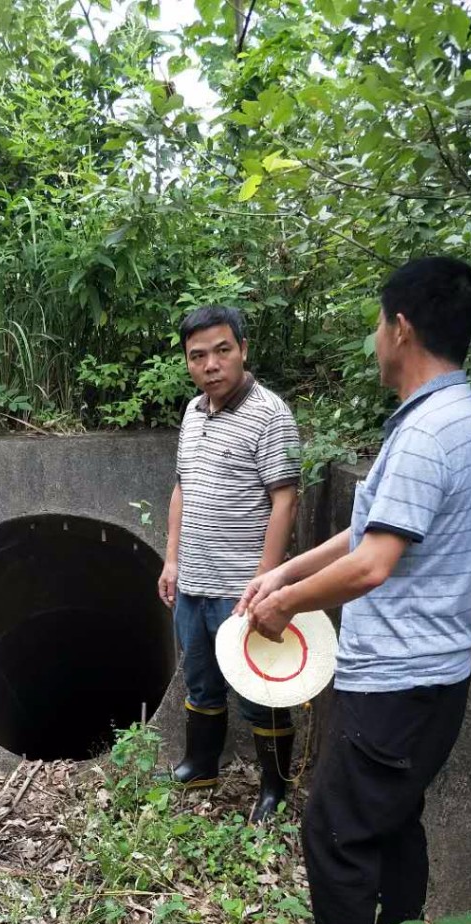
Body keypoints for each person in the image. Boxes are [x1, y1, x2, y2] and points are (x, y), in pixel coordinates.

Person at [236, 256, 471, 924]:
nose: (376, 338)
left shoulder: (426, 434)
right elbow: (368, 531)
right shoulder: (452, 416)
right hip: (433, 677)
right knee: (393, 820)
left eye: (379, 323)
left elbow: (374, 563)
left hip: (397, 682)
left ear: (402, 328)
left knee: (336, 831)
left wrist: (287, 605)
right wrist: (285, 573)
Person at [158, 304, 301, 821]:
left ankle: (274, 789)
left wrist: (265, 580)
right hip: (193, 582)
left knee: (261, 691)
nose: (211, 364)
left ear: (243, 349)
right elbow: (182, 487)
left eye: (222, 350)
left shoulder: (271, 415)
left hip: (241, 588)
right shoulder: (193, 412)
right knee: (200, 681)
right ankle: (201, 766)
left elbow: (285, 500)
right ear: (188, 362)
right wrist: (171, 559)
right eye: (198, 356)